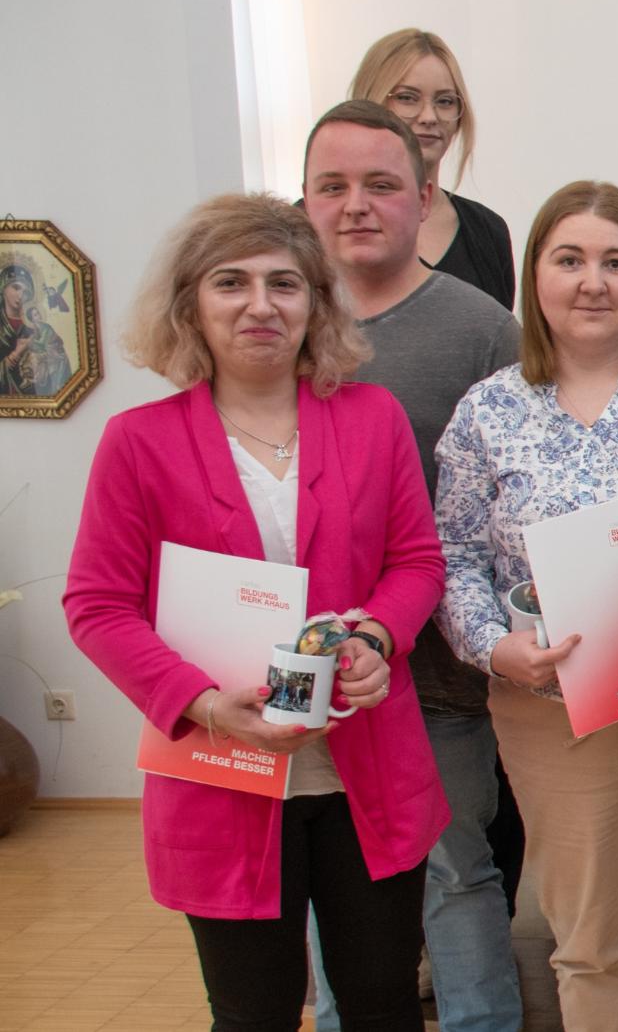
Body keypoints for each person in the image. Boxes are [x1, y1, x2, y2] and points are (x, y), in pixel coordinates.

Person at [64, 192, 447, 1030]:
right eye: (230, 283)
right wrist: (204, 706)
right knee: (254, 1014)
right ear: (191, 306)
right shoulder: (138, 443)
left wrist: (379, 635)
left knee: (384, 1001)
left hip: (367, 767)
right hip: (220, 771)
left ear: (315, 302)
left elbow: (415, 561)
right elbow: (97, 606)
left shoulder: (371, 418)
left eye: (285, 284)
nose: (260, 305)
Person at [433, 181, 618, 1031]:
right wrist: (495, 648)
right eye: (570, 260)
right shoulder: (488, 410)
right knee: (588, 940)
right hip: (543, 704)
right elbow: (449, 551)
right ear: (536, 277)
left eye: (616, 261)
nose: (593, 281)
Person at [302, 98, 526, 1031]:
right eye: (333, 186)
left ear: (425, 195)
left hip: (438, 677)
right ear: (305, 200)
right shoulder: (276, 324)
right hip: (300, 670)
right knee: (321, 875)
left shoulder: (481, 330)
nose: (357, 205)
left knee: (454, 869)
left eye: (382, 185)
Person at [349, 29, 516, 309]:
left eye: (445, 101)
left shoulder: (487, 232)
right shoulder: (309, 225)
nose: (429, 117)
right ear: (370, 102)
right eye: (407, 98)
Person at [1, 262, 71, 395]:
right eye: (16, 287)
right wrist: (16, 354)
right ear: (2, 287)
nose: (21, 295)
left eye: (26, 292)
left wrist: (52, 356)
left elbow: (61, 359)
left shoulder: (37, 326)